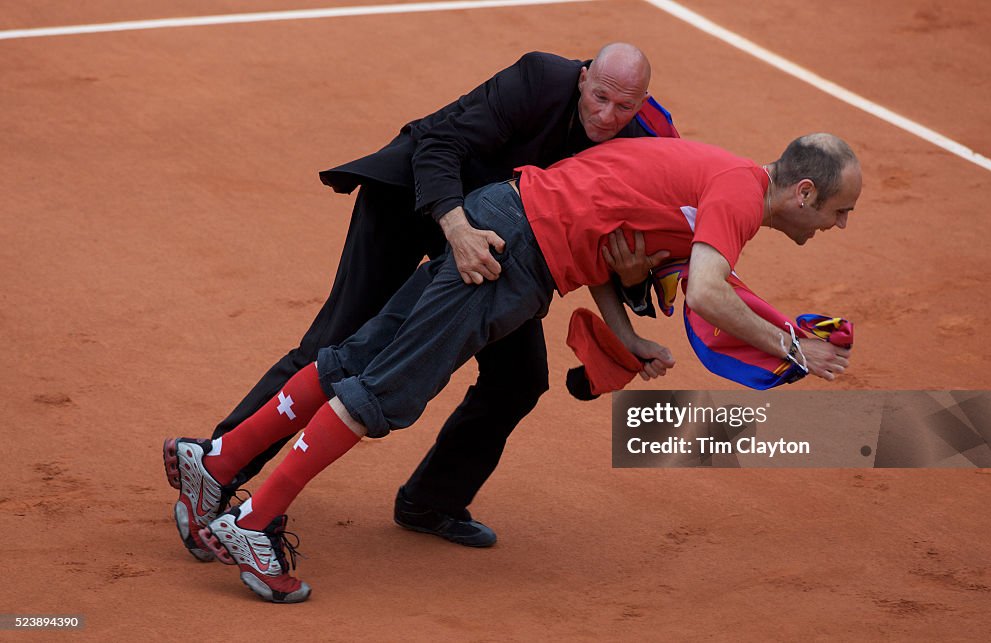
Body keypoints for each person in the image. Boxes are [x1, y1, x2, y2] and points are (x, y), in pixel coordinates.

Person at [166, 132, 862, 602]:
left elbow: (601, 248)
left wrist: (627, 333)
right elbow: (707, 292)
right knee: (383, 391)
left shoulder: (720, 175)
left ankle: (219, 462)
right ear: (803, 192)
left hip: (511, 220)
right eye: (839, 211)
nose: (839, 226)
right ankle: (253, 521)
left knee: (360, 358)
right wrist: (792, 346)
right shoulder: (737, 196)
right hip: (513, 254)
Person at [166, 44, 675, 560]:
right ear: (582, 78)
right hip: (418, 202)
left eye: (624, 108)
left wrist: (633, 283)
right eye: (600, 98)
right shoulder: (539, 79)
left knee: (518, 379)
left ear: (643, 105)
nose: (607, 116)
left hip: (494, 247)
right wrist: (456, 227)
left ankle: (431, 500)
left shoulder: (631, 147)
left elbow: (597, 244)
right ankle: (217, 467)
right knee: (337, 344)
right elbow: (437, 142)